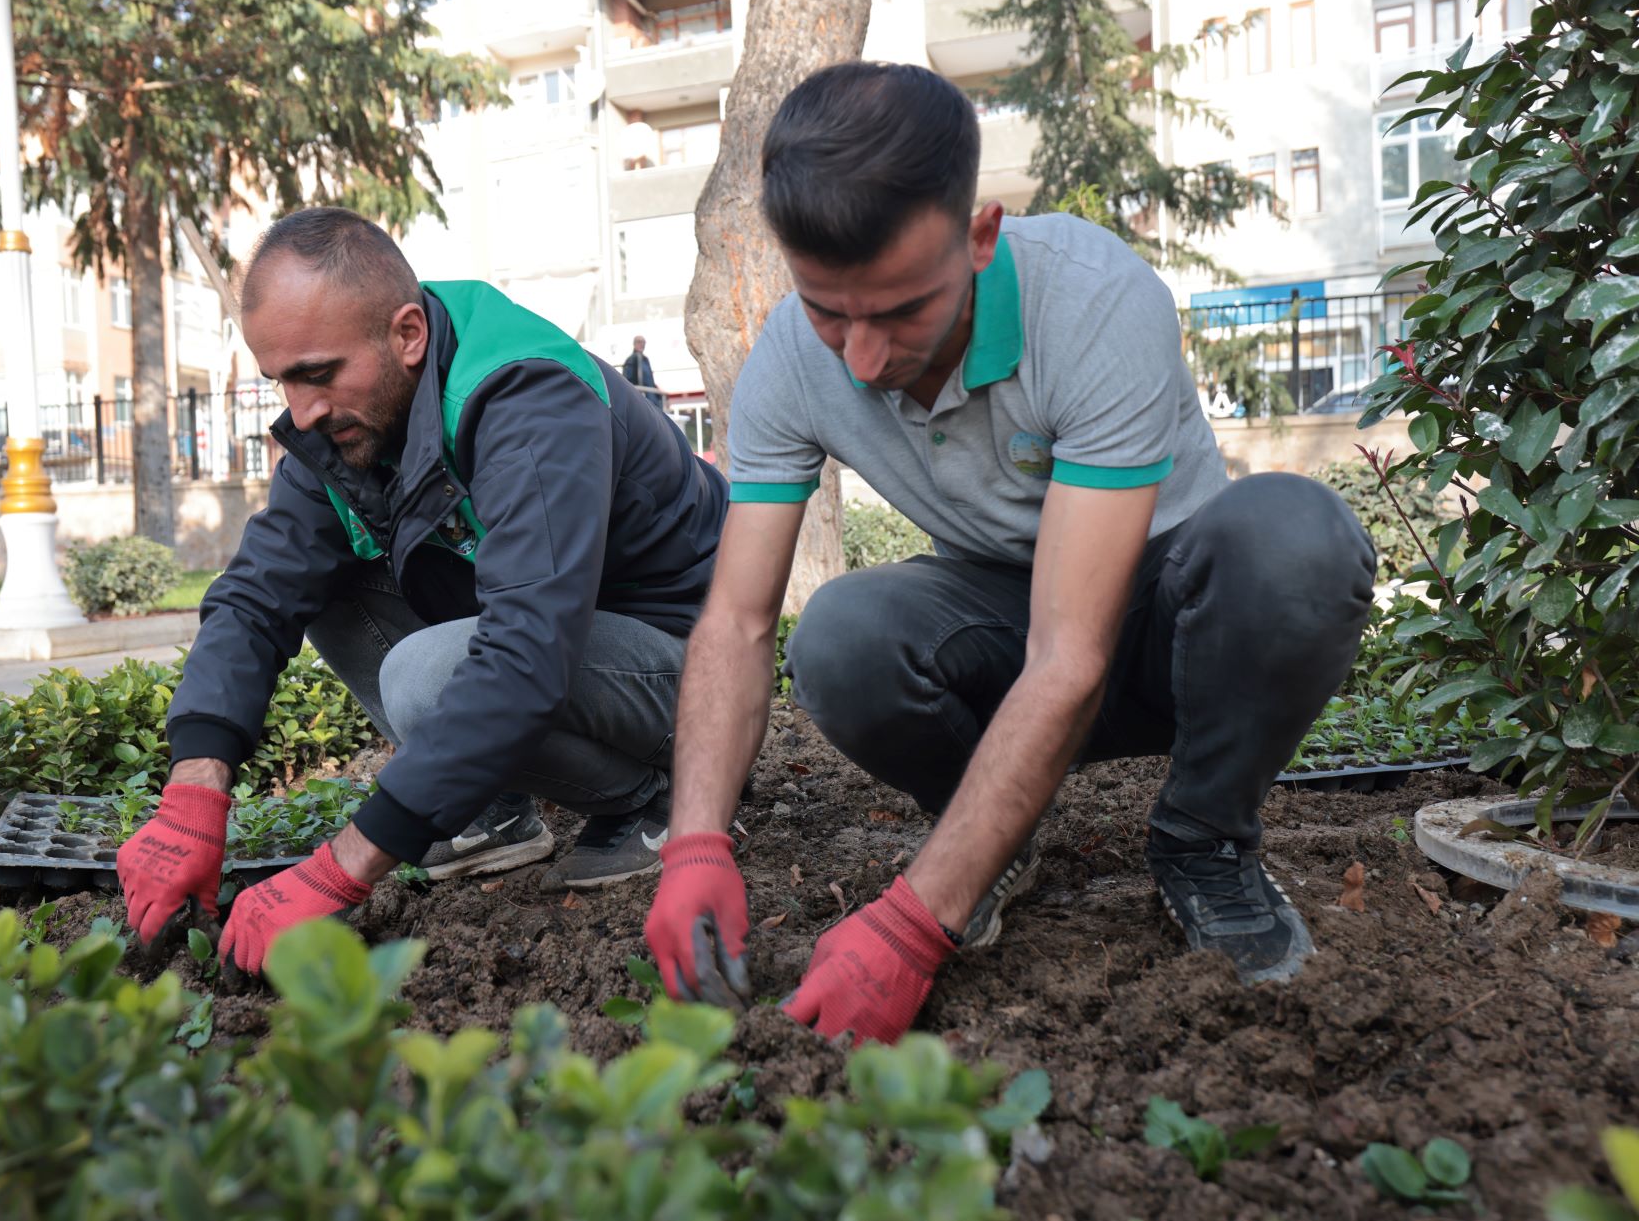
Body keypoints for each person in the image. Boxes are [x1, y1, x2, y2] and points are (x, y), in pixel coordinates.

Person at [643, 63, 1375, 1044]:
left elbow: (1072, 654)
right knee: (841, 636)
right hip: (1008, 620)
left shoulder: (1092, 301)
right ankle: (991, 837)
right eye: (828, 310)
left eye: (901, 310)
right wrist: (695, 842)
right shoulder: (790, 358)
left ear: (980, 235)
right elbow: (737, 620)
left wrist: (913, 926)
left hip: (1182, 624)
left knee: (1297, 540)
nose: (861, 357)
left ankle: (1205, 839)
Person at [117, 207, 728, 973]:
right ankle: (488, 809)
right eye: (283, 379)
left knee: (427, 675)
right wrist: (195, 789)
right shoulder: (356, 417)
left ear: (407, 335)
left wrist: (341, 867)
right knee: (320, 582)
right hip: (575, 642)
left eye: (319, 373)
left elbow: (524, 654)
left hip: (690, 668)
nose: (301, 411)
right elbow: (255, 595)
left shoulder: (527, 395)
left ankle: (657, 795)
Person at [621, 335, 664, 410]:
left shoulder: (645, 359)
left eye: (643, 342)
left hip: (651, 398)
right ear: (634, 344)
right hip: (641, 398)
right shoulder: (632, 359)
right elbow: (627, 380)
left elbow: (650, 380)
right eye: (639, 342)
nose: (642, 344)